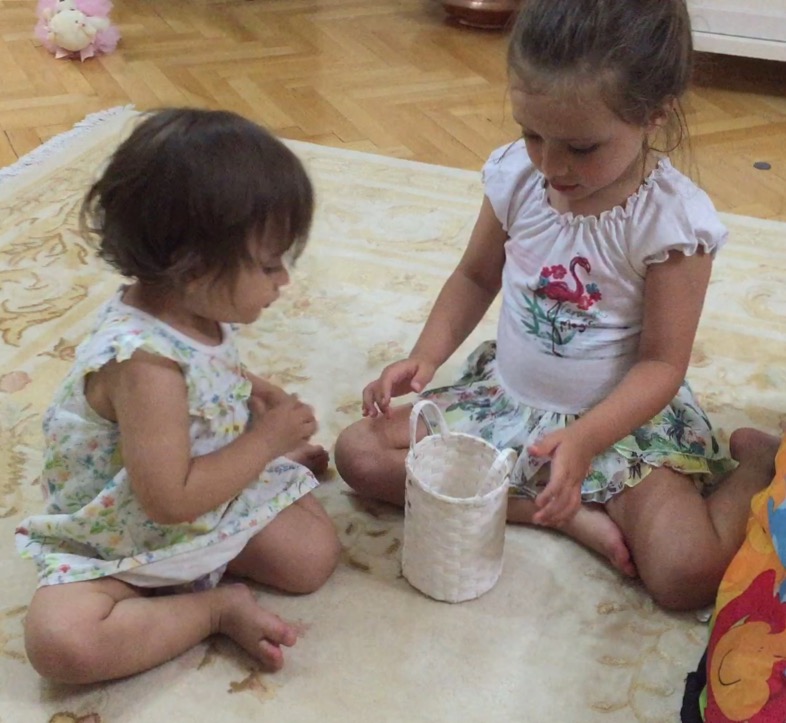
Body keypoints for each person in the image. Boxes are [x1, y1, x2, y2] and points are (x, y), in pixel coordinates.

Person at [334, 0, 779, 611]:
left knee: (685, 574)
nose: (550, 164)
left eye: (581, 146)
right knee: (358, 454)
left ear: (654, 114)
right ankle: (558, 514)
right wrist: (424, 356)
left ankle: (758, 461)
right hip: (507, 406)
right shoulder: (517, 178)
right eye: (532, 134)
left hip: (616, 427)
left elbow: (662, 365)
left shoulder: (671, 223)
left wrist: (586, 440)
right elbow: (474, 275)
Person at [15, 108, 341, 684]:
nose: (284, 281)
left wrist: (257, 393)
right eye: (270, 266)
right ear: (193, 268)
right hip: (124, 532)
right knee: (64, 644)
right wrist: (266, 443)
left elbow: (213, 373)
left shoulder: (196, 309)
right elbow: (169, 501)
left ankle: (258, 485)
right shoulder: (146, 367)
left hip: (203, 501)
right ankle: (214, 608)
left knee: (312, 558)